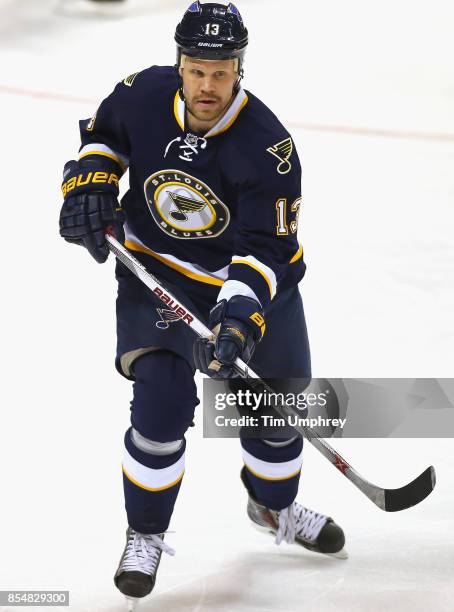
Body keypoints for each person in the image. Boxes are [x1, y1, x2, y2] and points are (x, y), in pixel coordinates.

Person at [59, 1, 346, 606]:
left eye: (220, 71)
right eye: (196, 70)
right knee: (160, 407)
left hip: (247, 286)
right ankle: (145, 533)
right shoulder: (141, 93)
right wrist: (88, 184)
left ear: (239, 67)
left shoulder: (270, 149)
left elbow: (265, 250)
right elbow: (105, 141)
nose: (206, 85)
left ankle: (274, 509)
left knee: (277, 413)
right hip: (155, 272)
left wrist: (238, 320)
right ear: (180, 63)